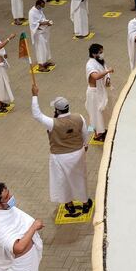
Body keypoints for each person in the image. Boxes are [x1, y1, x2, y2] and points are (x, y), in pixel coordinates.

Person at [30, 84, 93, 218]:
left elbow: (37, 115)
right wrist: (85, 146)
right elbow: (86, 132)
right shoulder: (79, 117)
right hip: (78, 153)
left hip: (59, 157)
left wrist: (34, 95)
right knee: (80, 178)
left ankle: (69, 205)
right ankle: (85, 202)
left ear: (57, 111)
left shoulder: (52, 123)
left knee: (62, 180)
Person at [85, 44, 113, 143]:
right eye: (100, 52)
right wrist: (108, 71)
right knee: (94, 114)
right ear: (93, 54)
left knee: (101, 113)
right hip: (94, 93)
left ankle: (101, 130)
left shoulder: (100, 61)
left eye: (102, 52)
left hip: (100, 91)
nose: (102, 54)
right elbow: (96, 76)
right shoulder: (90, 64)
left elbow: (105, 72)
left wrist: (108, 78)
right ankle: (96, 134)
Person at [28, 0, 54, 72]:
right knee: (40, 49)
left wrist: (47, 22)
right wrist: (44, 23)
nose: (42, 8)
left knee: (45, 47)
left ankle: (45, 62)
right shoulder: (32, 12)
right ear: (38, 5)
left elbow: (42, 18)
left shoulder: (40, 10)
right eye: (42, 6)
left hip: (43, 31)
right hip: (38, 33)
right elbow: (33, 24)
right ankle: (40, 65)